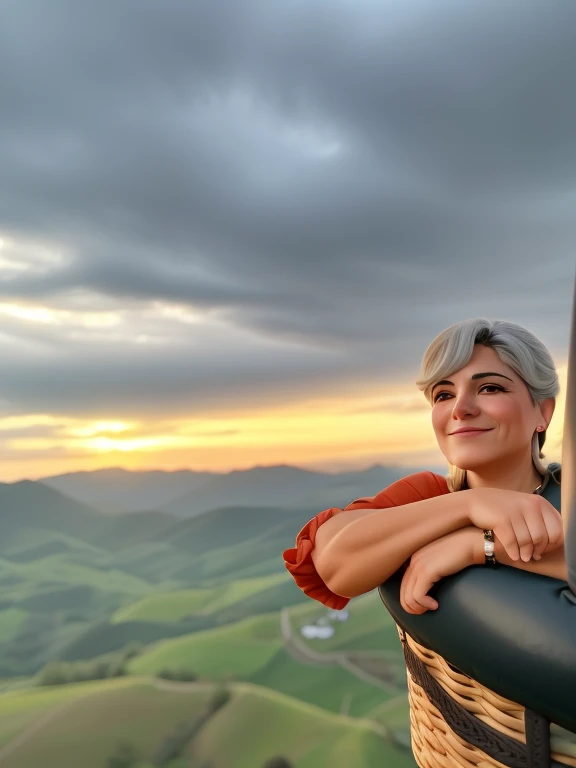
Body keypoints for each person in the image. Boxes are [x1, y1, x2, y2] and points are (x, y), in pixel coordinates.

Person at [283, 318, 566, 614]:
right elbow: (335, 567)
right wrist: (469, 503)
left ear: (543, 411)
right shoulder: (427, 495)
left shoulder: (568, 491)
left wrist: (477, 546)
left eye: (490, 388)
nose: (460, 409)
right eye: (444, 395)